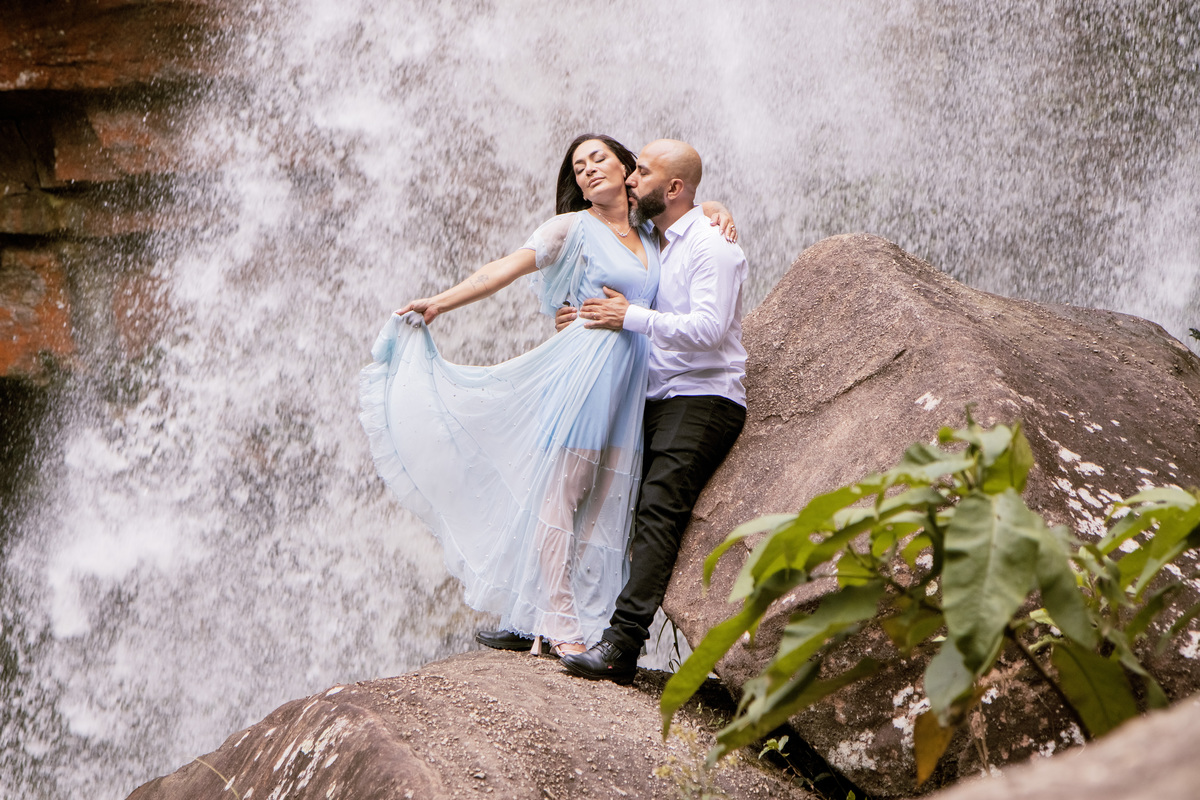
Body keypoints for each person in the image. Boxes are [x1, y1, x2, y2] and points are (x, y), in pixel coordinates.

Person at [359, 133, 733, 658]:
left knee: (605, 501)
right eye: (578, 167)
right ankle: (559, 622)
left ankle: (553, 615)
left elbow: (684, 206)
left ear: (627, 169)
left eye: (598, 159)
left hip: (630, 385)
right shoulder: (570, 227)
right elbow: (504, 268)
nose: (588, 170)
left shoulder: (650, 230)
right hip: (583, 374)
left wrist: (713, 207)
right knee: (564, 494)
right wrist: (441, 302)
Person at [559, 139, 748, 685]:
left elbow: (709, 330)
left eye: (641, 172)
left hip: (702, 397)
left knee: (658, 511)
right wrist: (579, 316)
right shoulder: (657, 240)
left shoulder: (711, 246)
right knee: (601, 495)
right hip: (657, 395)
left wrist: (630, 317)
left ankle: (622, 645)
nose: (630, 179)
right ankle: (551, 619)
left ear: (674, 188)